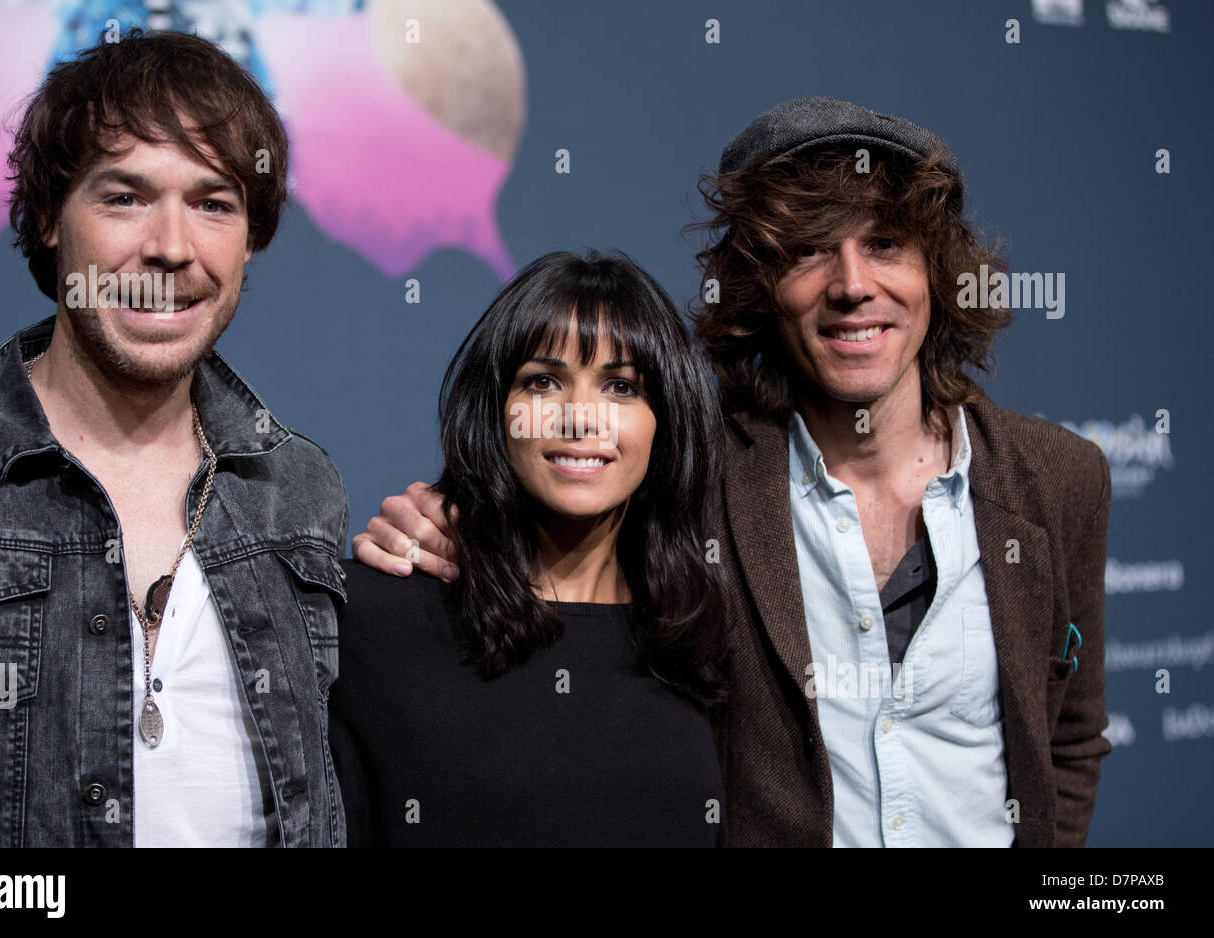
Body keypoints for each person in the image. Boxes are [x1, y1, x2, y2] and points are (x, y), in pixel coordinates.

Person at [351, 97, 1112, 847]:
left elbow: (1069, 738)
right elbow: (557, 466)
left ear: (938, 273)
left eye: (885, 245)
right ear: (758, 287)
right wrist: (438, 517)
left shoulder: (1058, 480)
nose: (851, 285)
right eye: (808, 251)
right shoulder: (697, 471)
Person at [0, 30, 348, 847]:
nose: (172, 247)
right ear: (50, 216)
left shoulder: (302, 490)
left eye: (214, 203)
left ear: (251, 236)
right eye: (124, 197)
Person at [330, 250, 727, 846]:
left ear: (665, 423)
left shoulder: (705, 640)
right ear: (495, 413)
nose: (579, 418)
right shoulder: (369, 619)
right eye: (543, 382)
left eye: (621, 386)